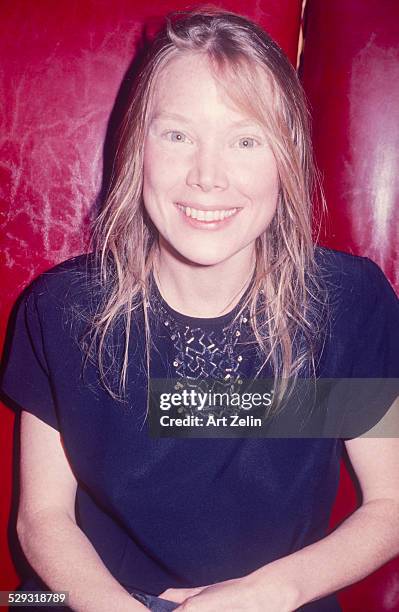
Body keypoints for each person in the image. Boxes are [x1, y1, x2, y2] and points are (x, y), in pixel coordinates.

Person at [1, 7, 399, 612]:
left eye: (245, 139)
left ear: (287, 157)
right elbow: (42, 519)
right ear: (138, 148)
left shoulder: (347, 305)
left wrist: (270, 592)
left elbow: (391, 505)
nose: (208, 176)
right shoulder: (60, 311)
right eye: (177, 134)